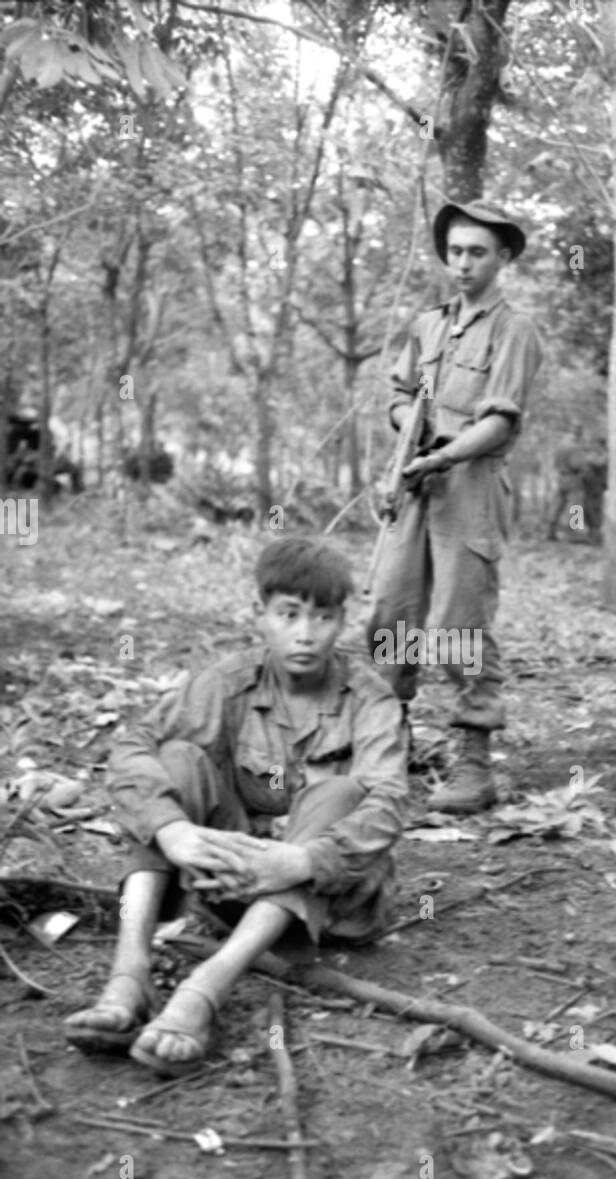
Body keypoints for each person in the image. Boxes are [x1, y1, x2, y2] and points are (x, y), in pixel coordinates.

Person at [65, 537, 408, 1077]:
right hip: (228, 888)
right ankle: (129, 975)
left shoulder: (371, 699)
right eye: (288, 614)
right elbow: (132, 748)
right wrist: (172, 829)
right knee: (174, 760)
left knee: (340, 793)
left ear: (342, 621)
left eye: (322, 617)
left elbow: (388, 803)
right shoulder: (227, 682)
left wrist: (298, 862)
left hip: (336, 902)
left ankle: (203, 992)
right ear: (261, 616)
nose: (304, 632)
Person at [367, 199, 542, 814]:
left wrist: (444, 455)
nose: (463, 264)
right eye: (455, 252)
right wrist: (408, 428)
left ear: (502, 260)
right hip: (416, 481)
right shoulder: (427, 325)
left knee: (458, 626)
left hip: (469, 486)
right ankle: (389, 742)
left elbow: (499, 422)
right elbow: (396, 394)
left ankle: (473, 763)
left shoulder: (513, 331)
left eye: (477, 253)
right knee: (392, 610)